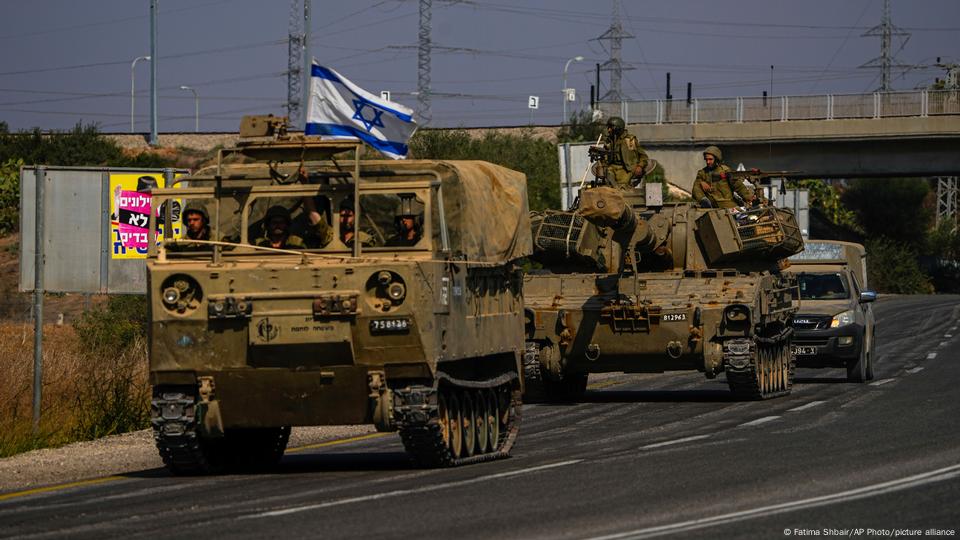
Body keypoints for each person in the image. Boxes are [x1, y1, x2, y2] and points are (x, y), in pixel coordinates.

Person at [692, 145, 756, 209]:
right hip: (711, 205)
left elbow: (737, 185)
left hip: (728, 204)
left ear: (716, 159)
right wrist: (703, 199)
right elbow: (696, 189)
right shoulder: (702, 173)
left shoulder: (726, 171)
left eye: (710, 159)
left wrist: (748, 197)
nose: (708, 162)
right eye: (706, 159)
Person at [599, 116, 649, 189]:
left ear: (618, 128)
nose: (609, 130)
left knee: (623, 186)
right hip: (612, 168)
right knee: (608, 182)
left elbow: (643, 157)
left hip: (626, 169)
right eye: (608, 127)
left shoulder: (630, 140)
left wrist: (640, 166)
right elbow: (604, 157)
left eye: (611, 127)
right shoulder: (609, 141)